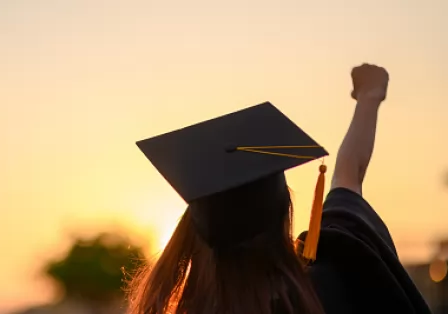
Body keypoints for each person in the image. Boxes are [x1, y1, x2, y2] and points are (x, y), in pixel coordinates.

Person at [127, 64, 432, 314]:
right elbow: (348, 176)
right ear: (284, 210)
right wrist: (370, 96)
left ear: (194, 231)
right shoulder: (325, 289)